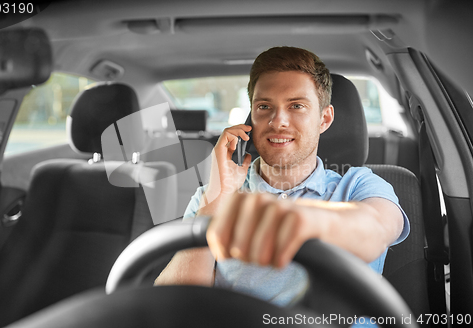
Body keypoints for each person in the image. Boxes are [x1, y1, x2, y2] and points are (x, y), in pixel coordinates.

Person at [155, 46, 409, 309]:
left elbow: (377, 229)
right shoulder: (212, 197)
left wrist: (300, 220)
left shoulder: (360, 184)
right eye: (264, 106)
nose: (278, 121)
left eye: (296, 106)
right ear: (251, 117)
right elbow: (173, 304)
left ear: (324, 119)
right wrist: (215, 203)